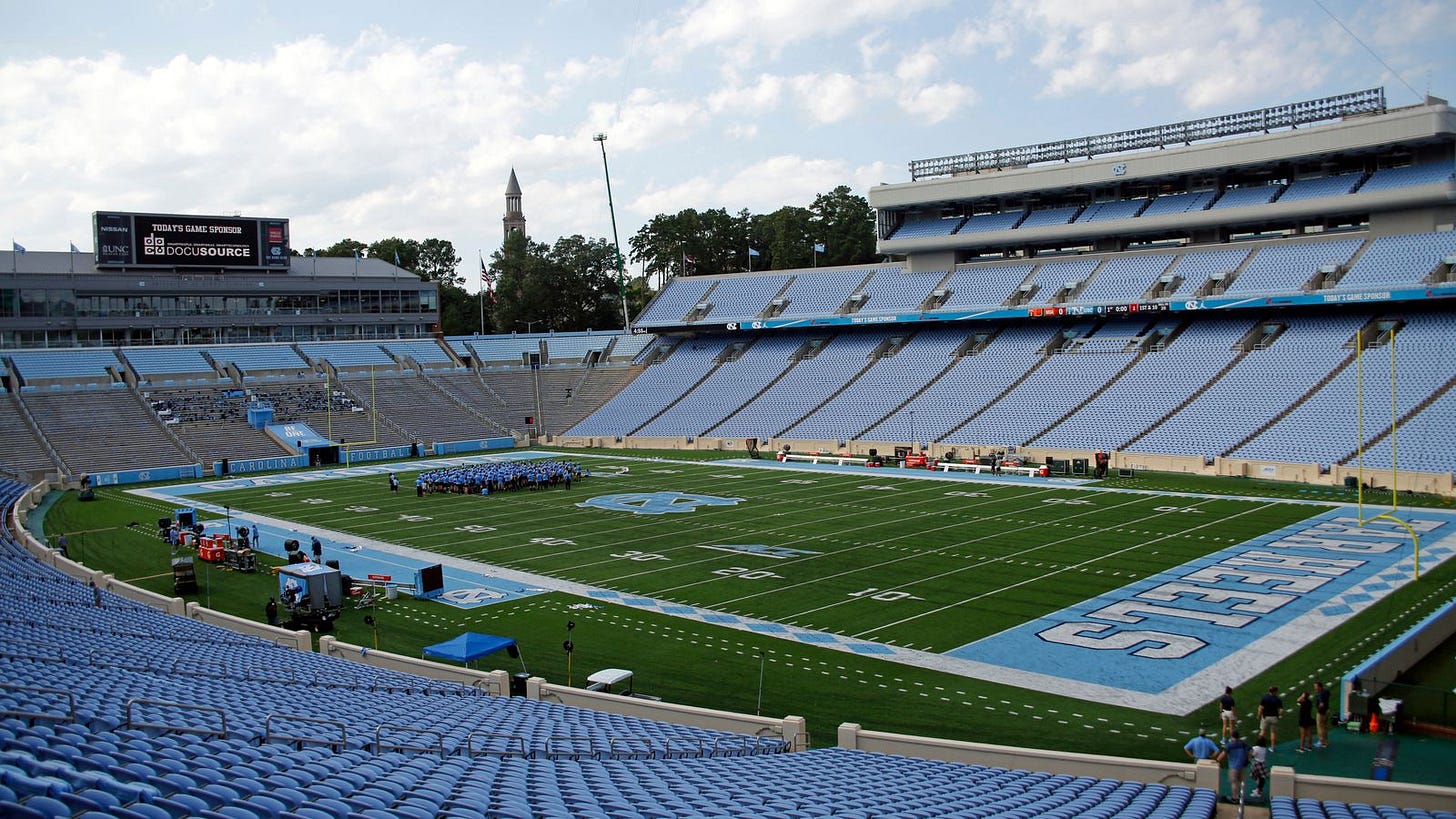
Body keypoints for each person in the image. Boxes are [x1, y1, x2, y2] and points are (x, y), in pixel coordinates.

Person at [1219, 729, 1250, 803]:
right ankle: (1240, 796)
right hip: (1242, 766)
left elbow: (1223, 754)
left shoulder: (1230, 745)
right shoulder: (1243, 743)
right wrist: (1248, 758)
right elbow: (1251, 751)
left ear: (1232, 736)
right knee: (1241, 782)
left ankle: (1234, 798)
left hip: (1234, 767)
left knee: (1234, 782)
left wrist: (1217, 760)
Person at [1314, 681, 1331, 749]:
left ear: (1319, 687)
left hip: (1321, 712)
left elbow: (1321, 704)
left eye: (1316, 686)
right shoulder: (1326, 691)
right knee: (1325, 727)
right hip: (1327, 710)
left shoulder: (1320, 694)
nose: (1315, 688)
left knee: (1320, 727)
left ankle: (1322, 742)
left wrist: (1319, 708)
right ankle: (1326, 742)